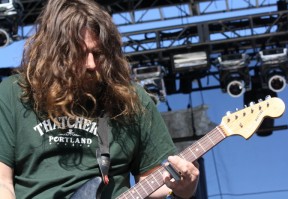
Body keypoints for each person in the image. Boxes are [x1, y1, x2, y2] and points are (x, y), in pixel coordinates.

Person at [0, 0, 199, 198]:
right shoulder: (14, 93)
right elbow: (2, 183)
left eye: (98, 54)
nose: (91, 64)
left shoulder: (133, 100)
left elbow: (152, 181)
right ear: (54, 52)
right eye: (79, 53)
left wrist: (184, 187)